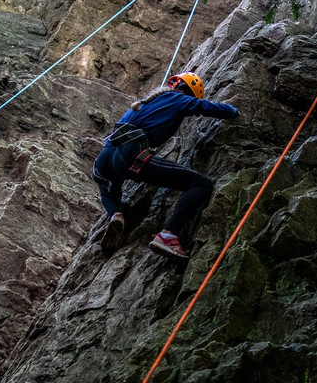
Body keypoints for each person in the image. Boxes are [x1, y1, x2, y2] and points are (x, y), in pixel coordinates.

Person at [91, 71, 238, 261]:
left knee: (108, 191)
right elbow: (203, 106)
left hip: (105, 159)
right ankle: (168, 235)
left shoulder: (140, 105)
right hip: (132, 153)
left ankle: (116, 214)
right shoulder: (177, 98)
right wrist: (233, 111)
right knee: (201, 185)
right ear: (190, 92)